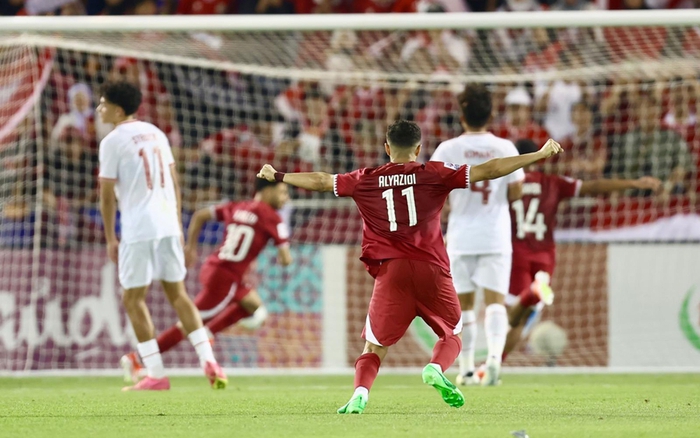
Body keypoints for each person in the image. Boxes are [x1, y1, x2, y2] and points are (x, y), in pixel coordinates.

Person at [257, 120, 563, 413]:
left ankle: (359, 395)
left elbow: (322, 181)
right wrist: (539, 154)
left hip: (392, 273)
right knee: (452, 334)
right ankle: (434, 367)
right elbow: (492, 169)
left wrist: (279, 175)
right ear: (418, 149)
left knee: (374, 347)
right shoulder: (435, 173)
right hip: (432, 269)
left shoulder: (365, 178)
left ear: (387, 149)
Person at [98, 81, 226, 391]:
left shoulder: (112, 141)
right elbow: (174, 181)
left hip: (138, 228)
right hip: (168, 223)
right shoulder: (156, 133)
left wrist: (110, 237)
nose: (99, 109)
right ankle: (209, 359)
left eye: (102, 104)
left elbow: (105, 194)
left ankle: (155, 373)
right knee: (178, 294)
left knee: (132, 298)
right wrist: (179, 227)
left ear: (117, 109)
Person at [502, 139, 661, 362]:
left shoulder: (506, 185)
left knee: (511, 316)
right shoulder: (553, 182)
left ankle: (495, 359)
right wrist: (634, 184)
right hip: (545, 255)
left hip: (516, 253)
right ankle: (497, 363)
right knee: (525, 314)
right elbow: (593, 187)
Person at [120, 178, 293, 382]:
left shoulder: (235, 206)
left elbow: (201, 214)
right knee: (187, 326)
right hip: (225, 279)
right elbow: (286, 259)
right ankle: (137, 359)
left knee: (253, 305)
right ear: (267, 190)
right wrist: (280, 249)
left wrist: (191, 246)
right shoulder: (272, 217)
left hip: (215, 268)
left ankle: (210, 331)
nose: (286, 198)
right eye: (282, 192)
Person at [430, 83, 524, 387]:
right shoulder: (505, 148)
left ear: (461, 113)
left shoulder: (447, 149)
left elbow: (434, 193)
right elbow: (516, 191)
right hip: (495, 234)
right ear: (491, 113)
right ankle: (494, 359)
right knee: (496, 302)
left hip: (461, 235)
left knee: (464, 306)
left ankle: (468, 369)